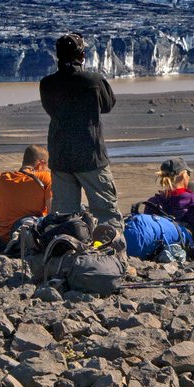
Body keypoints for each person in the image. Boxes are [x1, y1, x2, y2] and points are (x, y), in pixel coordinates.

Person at [39, 33, 124, 254]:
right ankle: (111, 256)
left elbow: (51, 109)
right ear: (83, 55)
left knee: (65, 216)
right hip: (91, 157)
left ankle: (67, 257)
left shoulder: (47, 84)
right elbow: (108, 104)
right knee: (105, 211)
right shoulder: (93, 81)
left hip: (61, 157)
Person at [0, 144, 52, 243]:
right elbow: (51, 211)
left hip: (1, 237)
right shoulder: (45, 177)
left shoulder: (0, 178)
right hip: (25, 237)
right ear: (40, 164)